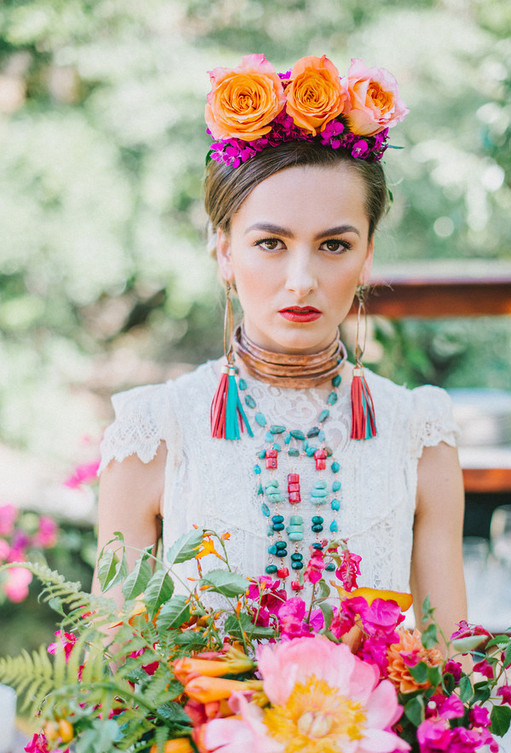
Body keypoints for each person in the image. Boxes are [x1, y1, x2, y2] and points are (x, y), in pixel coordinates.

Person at [96, 54, 466, 639]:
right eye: (270, 243)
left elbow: (451, 671)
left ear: (368, 255)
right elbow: (111, 682)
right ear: (223, 251)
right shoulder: (155, 431)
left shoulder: (419, 432)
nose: (301, 280)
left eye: (334, 246)